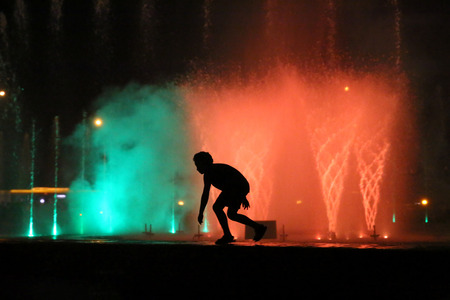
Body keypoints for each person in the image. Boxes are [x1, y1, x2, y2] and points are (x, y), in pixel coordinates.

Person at [193, 151, 267, 245]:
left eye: (197, 165)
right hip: (238, 188)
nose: (197, 168)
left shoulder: (211, 172)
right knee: (231, 214)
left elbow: (206, 194)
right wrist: (242, 196)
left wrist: (201, 213)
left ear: (204, 163)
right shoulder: (212, 171)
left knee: (217, 207)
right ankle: (258, 227)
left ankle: (228, 235)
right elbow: (206, 193)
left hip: (236, 188)